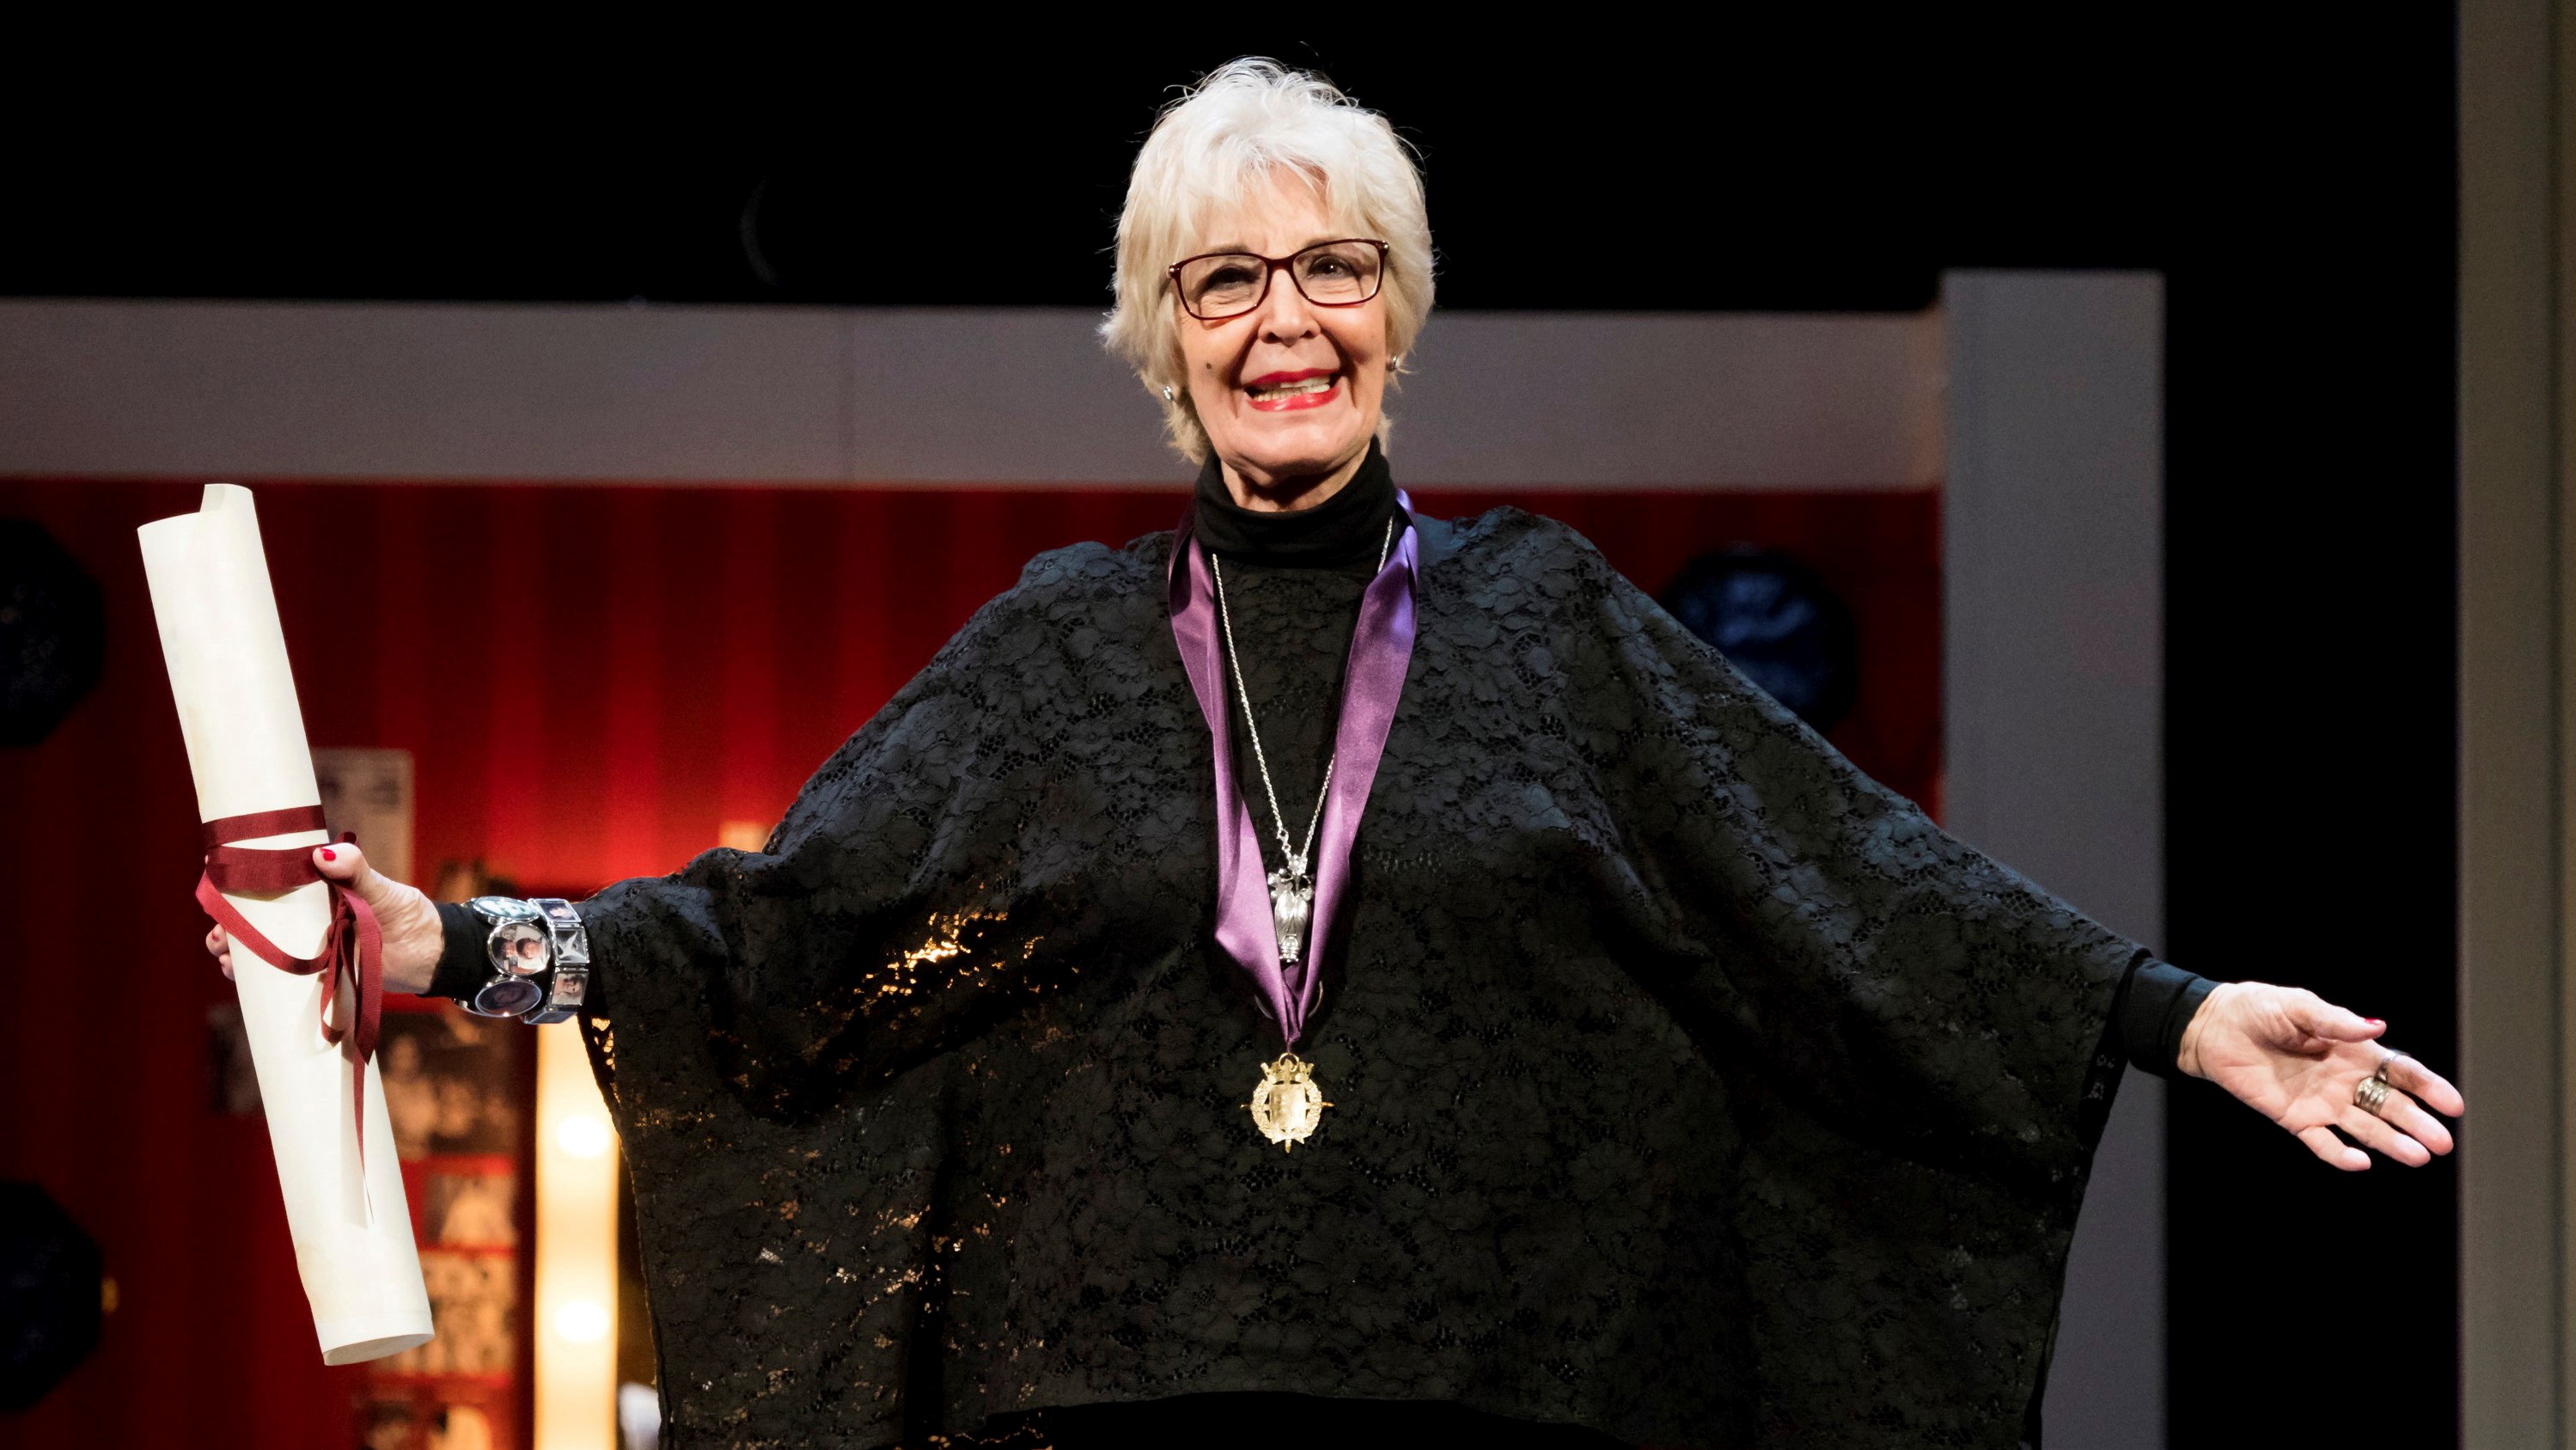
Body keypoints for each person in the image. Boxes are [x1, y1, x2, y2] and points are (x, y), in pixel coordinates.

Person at [211, 58, 2463, 1450]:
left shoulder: (1553, 620)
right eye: (1223, 285)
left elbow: (1848, 877)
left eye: (1332, 269)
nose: (1284, 321)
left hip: (1510, 1410)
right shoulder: (1065, 648)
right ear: (1158, 346)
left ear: (1398, 309)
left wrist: (2176, 1019)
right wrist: (460, 945)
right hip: (1111, 1414)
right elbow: (783, 933)